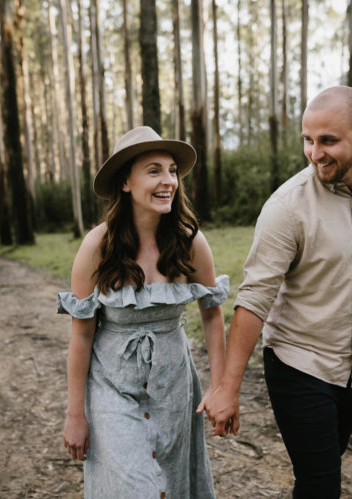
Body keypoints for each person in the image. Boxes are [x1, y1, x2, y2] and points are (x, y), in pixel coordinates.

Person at [198, 86, 352, 498]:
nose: (314, 152)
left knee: (318, 475)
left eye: (328, 141)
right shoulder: (287, 207)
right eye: (308, 139)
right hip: (298, 364)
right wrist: (228, 389)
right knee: (323, 484)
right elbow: (254, 299)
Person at [57, 126, 228, 498]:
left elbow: (212, 316)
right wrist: (75, 414)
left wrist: (219, 387)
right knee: (137, 487)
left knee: (171, 482)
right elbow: (81, 334)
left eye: (172, 171)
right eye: (154, 171)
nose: (168, 181)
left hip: (173, 383)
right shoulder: (96, 247)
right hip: (111, 386)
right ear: (125, 183)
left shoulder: (190, 241)